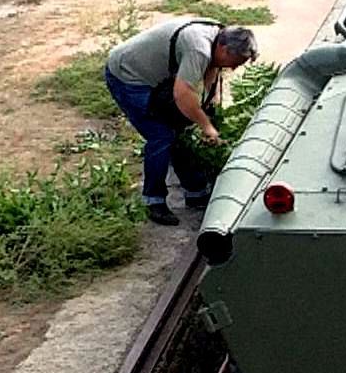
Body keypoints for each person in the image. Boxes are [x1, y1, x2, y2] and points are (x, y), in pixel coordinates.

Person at [104, 18, 258, 226]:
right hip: (128, 75)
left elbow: (211, 72)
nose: (233, 68)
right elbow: (183, 94)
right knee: (162, 135)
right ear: (223, 48)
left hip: (154, 75)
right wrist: (206, 126)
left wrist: (207, 108)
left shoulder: (219, 36)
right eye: (235, 62)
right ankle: (153, 201)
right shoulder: (199, 48)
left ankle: (195, 192)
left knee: (180, 130)